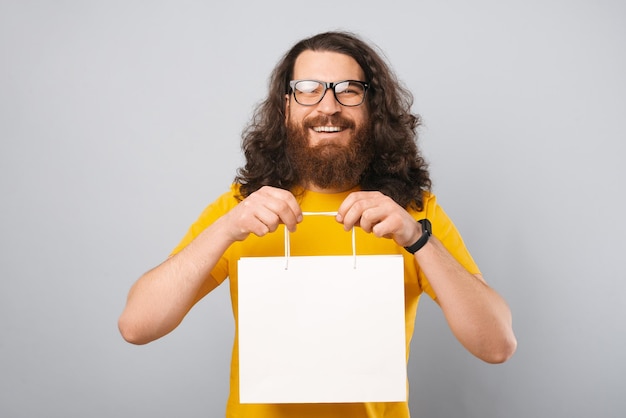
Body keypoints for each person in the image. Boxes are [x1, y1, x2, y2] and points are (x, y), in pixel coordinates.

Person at [118, 31, 517, 417]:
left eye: (348, 89)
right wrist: (225, 230)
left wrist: (415, 237)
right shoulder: (243, 208)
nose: (328, 106)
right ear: (286, 105)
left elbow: (497, 344)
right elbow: (137, 326)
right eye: (308, 88)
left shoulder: (411, 212)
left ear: (372, 106)